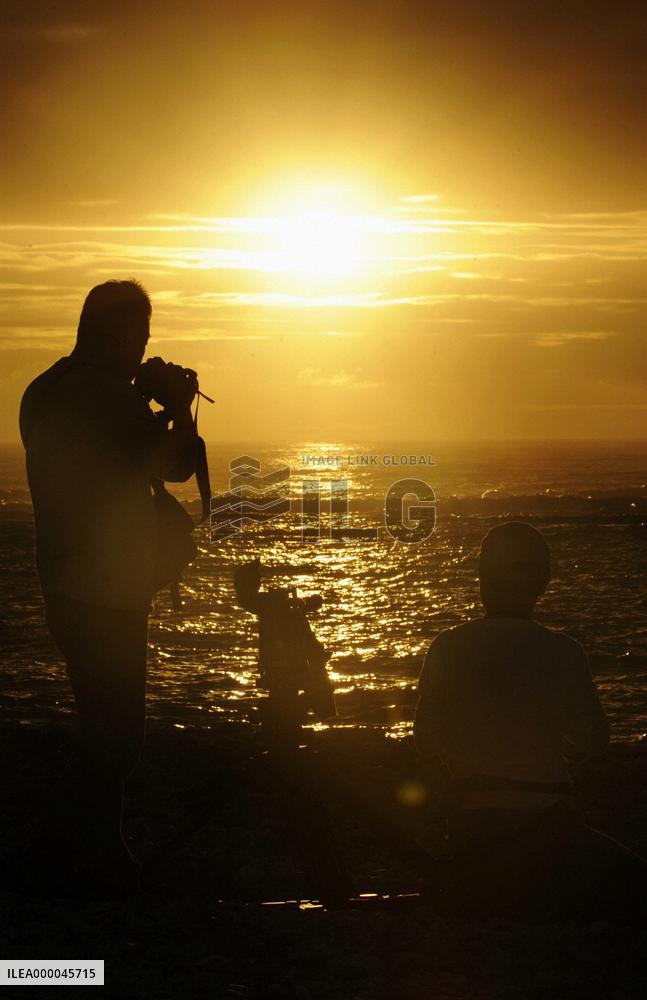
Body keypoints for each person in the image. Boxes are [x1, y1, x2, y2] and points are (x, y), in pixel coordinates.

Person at [14, 280, 198, 897]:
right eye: (139, 336)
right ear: (118, 333)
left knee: (100, 722)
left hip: (61, 581)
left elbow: (99, 463)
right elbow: (172, 464)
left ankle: (86, 851)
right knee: (119, 733)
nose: (143, 347)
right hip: (108, 588)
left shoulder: (42, 390)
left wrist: (138, 401)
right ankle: (65, 853)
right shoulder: (107, 399)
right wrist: (172, 405)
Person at [414, 520, 647, 922]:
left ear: (482, 577)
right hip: (546, 829)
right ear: (543, 581)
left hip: (471, 825)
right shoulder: (564, 651)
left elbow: (425, 739)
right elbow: (593, 742)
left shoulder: (445, 647)